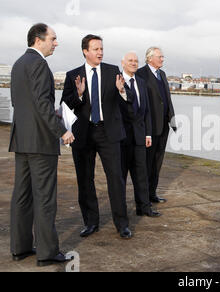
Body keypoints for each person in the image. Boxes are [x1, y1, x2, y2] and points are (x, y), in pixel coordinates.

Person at [9, 23, 74, 267]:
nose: (56, 43)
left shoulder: (18, 64)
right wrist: (62, 130)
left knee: (22, 197)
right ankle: (47, 252)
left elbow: (21, 103)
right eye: (53, 39)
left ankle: (20, 247)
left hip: (22, 140)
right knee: (45, 198)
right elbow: (42, 105)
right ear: (39, 40)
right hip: (41, 143)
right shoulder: (39, 64)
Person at [61, 35, 132, 239]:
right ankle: (91, 223)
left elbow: (129, 98)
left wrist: (122, 91)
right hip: (83, 134)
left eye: (101, 48)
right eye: (95, 49)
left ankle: (122, 224)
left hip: (108, 133)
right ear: (85, 51)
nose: (100, 52)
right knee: (85, 180)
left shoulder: (112, 71)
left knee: (116, 179)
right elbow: (65, 104)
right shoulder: (72, 75)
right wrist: (80, 95)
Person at [119, 52, 161, 218]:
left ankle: (143, 207)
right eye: (130, 60)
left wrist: (148, 133)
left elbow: (147, 111)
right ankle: (121, 212)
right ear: (123, 63)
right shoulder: (116, 82)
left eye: (136, 61)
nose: (134, 63)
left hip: (140, 136)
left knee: (141, 174)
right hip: (121, 138)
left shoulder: (141, 83)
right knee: (120, 177)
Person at [136, 47, 176, 204]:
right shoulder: (141, 74)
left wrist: (172, 119)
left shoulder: (162, 74)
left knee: (157, 162)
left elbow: (167, 99)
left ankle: (152, 193)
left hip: (163, 126)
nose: (162, 59)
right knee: (146, 163)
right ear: (150, 58)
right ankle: (143, 197)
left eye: (163, 57)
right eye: (160, 57)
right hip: (149, 126)